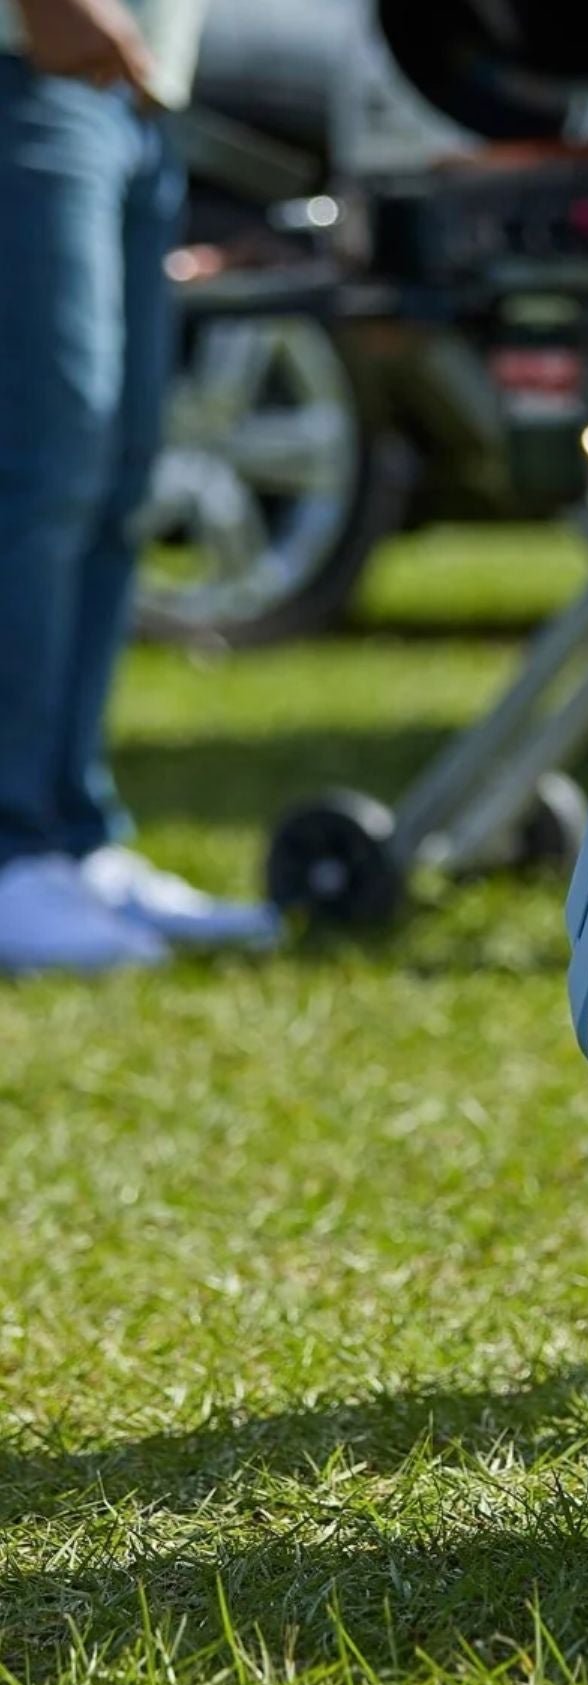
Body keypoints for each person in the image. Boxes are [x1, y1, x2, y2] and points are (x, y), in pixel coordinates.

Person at [0, 0, 277, 974]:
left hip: (137, 87)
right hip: (31, 58)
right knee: (37, 463)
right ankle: (10, 850)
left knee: (114, 474)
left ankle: (72, 836)